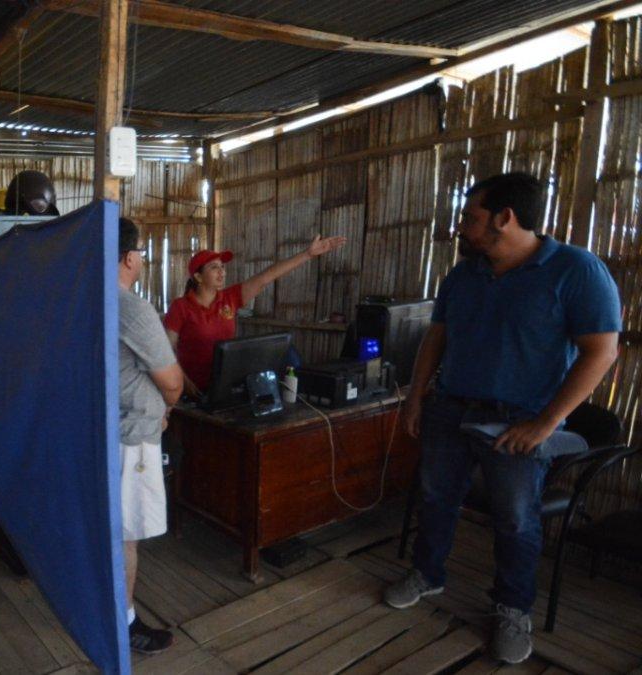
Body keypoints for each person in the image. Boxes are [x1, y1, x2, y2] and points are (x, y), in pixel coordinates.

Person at [384, 173, 621, 664]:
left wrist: (547, 423)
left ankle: (513, 607)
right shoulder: (463, 274)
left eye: (471, 218)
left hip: (517, 422)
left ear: (505, 219)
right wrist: (416, 398)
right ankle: (428, 574)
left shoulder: (576, 270)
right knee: (435, 497)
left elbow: (601, 353)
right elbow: (437, 337)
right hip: (449, 410)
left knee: (516, 519)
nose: (462, 228)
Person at [164, 235, 346, 396]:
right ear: (198, 276)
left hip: (226, 386)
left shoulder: (230, 298)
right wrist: (182, 381)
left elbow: (267, 276)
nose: (222, 272)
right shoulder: (180, 307)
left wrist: (307, 254)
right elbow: (165, 350)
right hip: (193, 391)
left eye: (222, 267)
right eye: (214, 268)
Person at [117, 216, 183, 655]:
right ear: (129, 256)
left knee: (110, 528)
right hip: (130, 439)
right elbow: (172, 380)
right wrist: (168, 408)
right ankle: (123, 625)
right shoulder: (130, 307)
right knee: (126, 535)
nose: (142, 258)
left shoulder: (80, 297)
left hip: (101, 430)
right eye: (140, 251)